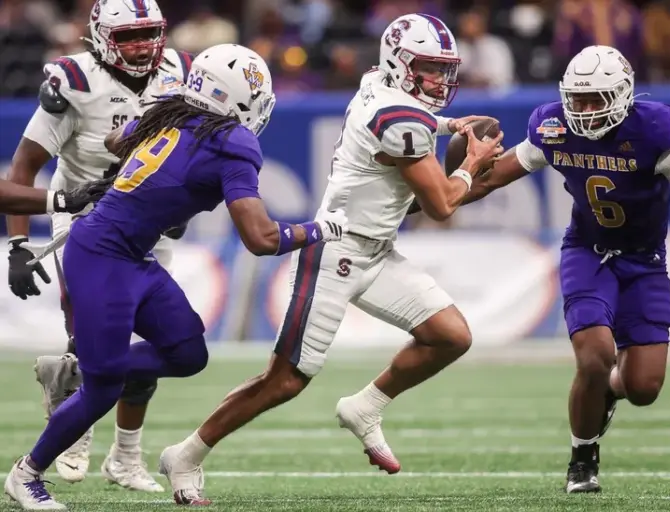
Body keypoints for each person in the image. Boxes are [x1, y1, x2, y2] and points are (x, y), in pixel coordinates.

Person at [156, 13, 503, 505]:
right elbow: (442, 205)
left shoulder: (376, 87)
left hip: (377, 250)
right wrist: (470, 163)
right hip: (335, 250)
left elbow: (407, 117)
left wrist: (450, 124)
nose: (440, 79)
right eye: (428, 67)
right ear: (399, 64)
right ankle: (185, 454)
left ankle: (366, 407)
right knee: (286, 380)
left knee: (449, 335)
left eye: (444, 68)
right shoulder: (397, 119)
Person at [4, 43, 347, 511]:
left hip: (130, 254)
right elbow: (262, 238)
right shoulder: (233, 140)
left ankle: (83, 369)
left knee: (187, 352)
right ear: (235, 99)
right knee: (104, 391)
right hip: (101, 257)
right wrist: (320, 229)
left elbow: (115, 143)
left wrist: (159, 184)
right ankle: (26, 474)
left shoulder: (169, 110)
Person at [457, 45, 670, 493]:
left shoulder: (653, 129)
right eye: (577, 99)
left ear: (623, 94)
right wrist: (451, 183)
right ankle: (583, 456)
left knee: (643, 387)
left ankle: (609, 393)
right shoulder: (553, 126)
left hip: (645, 261)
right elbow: (494, 178)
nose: (584, 110)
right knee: (594, 356)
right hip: (587, 251)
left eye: (596, 99)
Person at [5, 0, 196, 490]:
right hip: (87, 228)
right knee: (96, 347)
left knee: (153, 345)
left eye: (149, 33)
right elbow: (24, 169)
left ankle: (125, 456)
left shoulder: (178, 69)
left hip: (148, 227)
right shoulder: (75, 81)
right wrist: (19, 244)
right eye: (129, 36)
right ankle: (75, 427)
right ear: (101, 37)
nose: (143, 46)